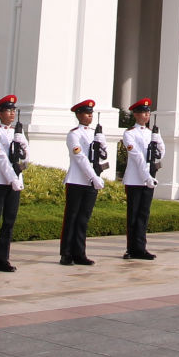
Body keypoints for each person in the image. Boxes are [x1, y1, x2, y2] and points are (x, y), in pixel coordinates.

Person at [0, 95, 26, 272]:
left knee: (9, 220)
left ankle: (3, 258)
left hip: (16, 181)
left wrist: (20, 169)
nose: (12, 113)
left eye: (13, 110)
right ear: (0, 113)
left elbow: (25, 154)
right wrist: (12, 178)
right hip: (0, 181)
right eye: (8, 110)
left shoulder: (18, 132)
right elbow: (0, 158)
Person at [60, 99, 104, 266]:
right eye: (86, 113)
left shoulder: (95, 133)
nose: (90, 116)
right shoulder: (74, 134)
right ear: (78, 115)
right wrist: (93, 177)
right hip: (77, 180)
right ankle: (66, 254)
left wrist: (102, 141)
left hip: (92, 181)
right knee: (72, 217)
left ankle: (80, 253)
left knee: (84, 219)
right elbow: (80, 157)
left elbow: (101, 155)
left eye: (91, 113)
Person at [121, 98, 160, 260]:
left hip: (148, 178)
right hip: (135, 179)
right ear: (136, 114)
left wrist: (157, 143)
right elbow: (136, 156)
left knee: (144, 214)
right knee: (133, 215)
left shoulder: (152, 133)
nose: (147, 114)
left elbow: (160, 152)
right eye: (144, 112)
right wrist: (146, 176)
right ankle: (131, 249)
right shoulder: (129, 133)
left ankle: (141, 247)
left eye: (148, 112)